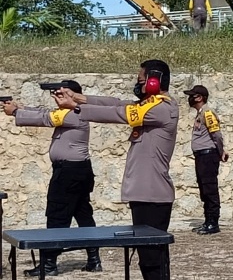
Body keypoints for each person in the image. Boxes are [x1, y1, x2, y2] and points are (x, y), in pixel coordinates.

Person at [53, 60, 178, 280]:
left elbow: (119, 113)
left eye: (141, 80)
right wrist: (78, 97)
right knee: (149, 258)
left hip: (152, 195)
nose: (137, 85)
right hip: (145, 193)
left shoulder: (162, 108)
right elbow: (117, 103)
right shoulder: (152, 106)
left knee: (152, 259)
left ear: (153, 81)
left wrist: (76, 107)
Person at [1, 80, 102, 277]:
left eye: (64, 94)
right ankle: (94, 259)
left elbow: (45, 118)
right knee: (83, 215)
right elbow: (45, 111)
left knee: (57, 215)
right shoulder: (77, 111)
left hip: (68, 172)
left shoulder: (75, 113)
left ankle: (49, 264)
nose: (59, 98)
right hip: (78, 170)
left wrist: (15, 113)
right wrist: (21, 108)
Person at [183, 85, 229, 235]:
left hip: (208, 155)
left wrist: (221, 151)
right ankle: (207, 220)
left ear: (199, 98)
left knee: (210, 188)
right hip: (201, 156)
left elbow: (217, 135)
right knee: (204, 189)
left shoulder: (207, 113)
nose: (189, 99)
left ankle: (213, 222)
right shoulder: (200, 113)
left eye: (192, 96)